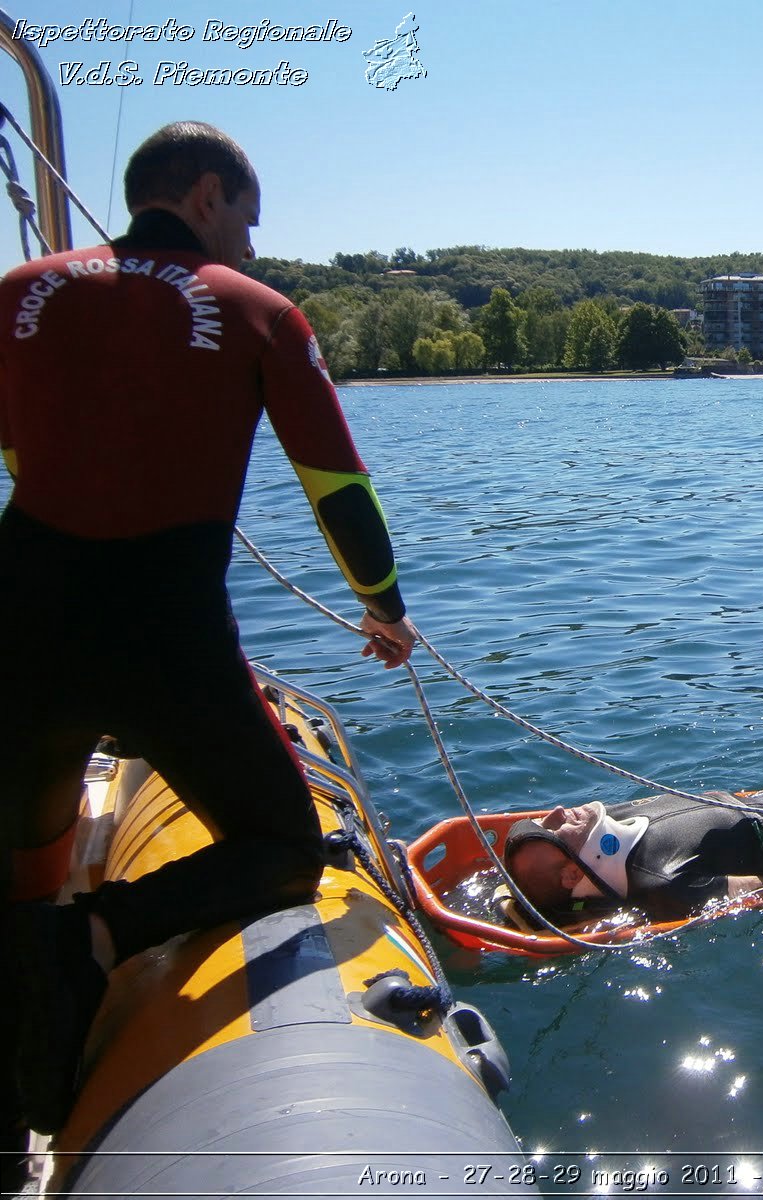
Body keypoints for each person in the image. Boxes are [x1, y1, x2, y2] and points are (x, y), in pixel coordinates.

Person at [0, 121, 415, 1141]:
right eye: (248, 219)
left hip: (16, 618)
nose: (252, 246)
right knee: (283, 846)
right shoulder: (259, 311)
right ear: (203, 194)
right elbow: (337, 486)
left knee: (26, 855)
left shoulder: (15, 292)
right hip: (163, 637)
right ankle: (95, 938)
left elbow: (16, 454)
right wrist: (384, 606)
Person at [501, 766, 763, 923]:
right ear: (573, 872)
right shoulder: (664, 883)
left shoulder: (609, 820)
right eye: (551, 829)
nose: (557, 811)